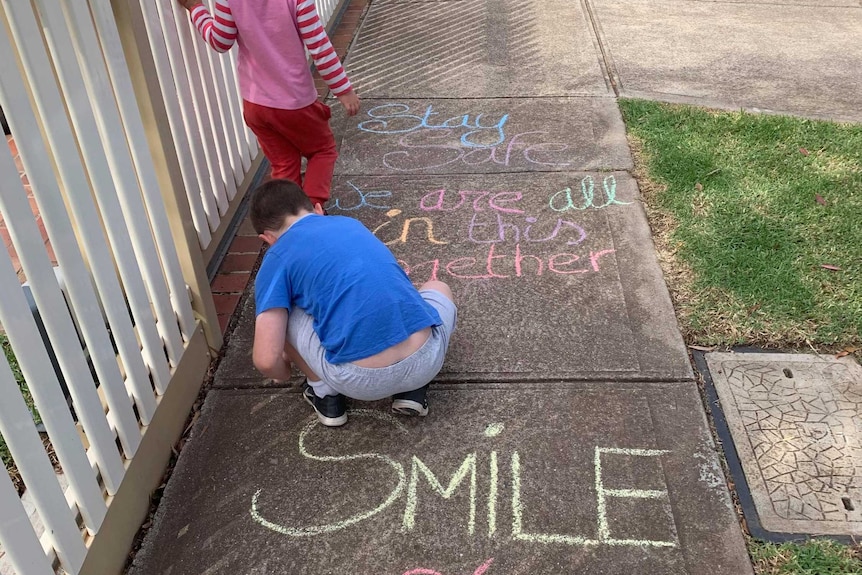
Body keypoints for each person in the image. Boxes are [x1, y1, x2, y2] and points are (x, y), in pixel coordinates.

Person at [250, 180, 457, 427]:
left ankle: (324, 394)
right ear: (317, 209)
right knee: (436, 287)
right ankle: (413, 391)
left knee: (280, 310)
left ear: (268, 238)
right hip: (426, 360)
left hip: (359, 380)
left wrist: (282, 372)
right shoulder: (350, 224)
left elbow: (266, 359)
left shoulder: (277, 255)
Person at [176, 0, 360, 208]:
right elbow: (319, 46)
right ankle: (313, 209)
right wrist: (343, 90)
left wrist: (196, 9)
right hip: (295, 102)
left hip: (256, 105)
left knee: (284, 163)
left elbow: (220, 41)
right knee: (322, 150)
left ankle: (290, 218)